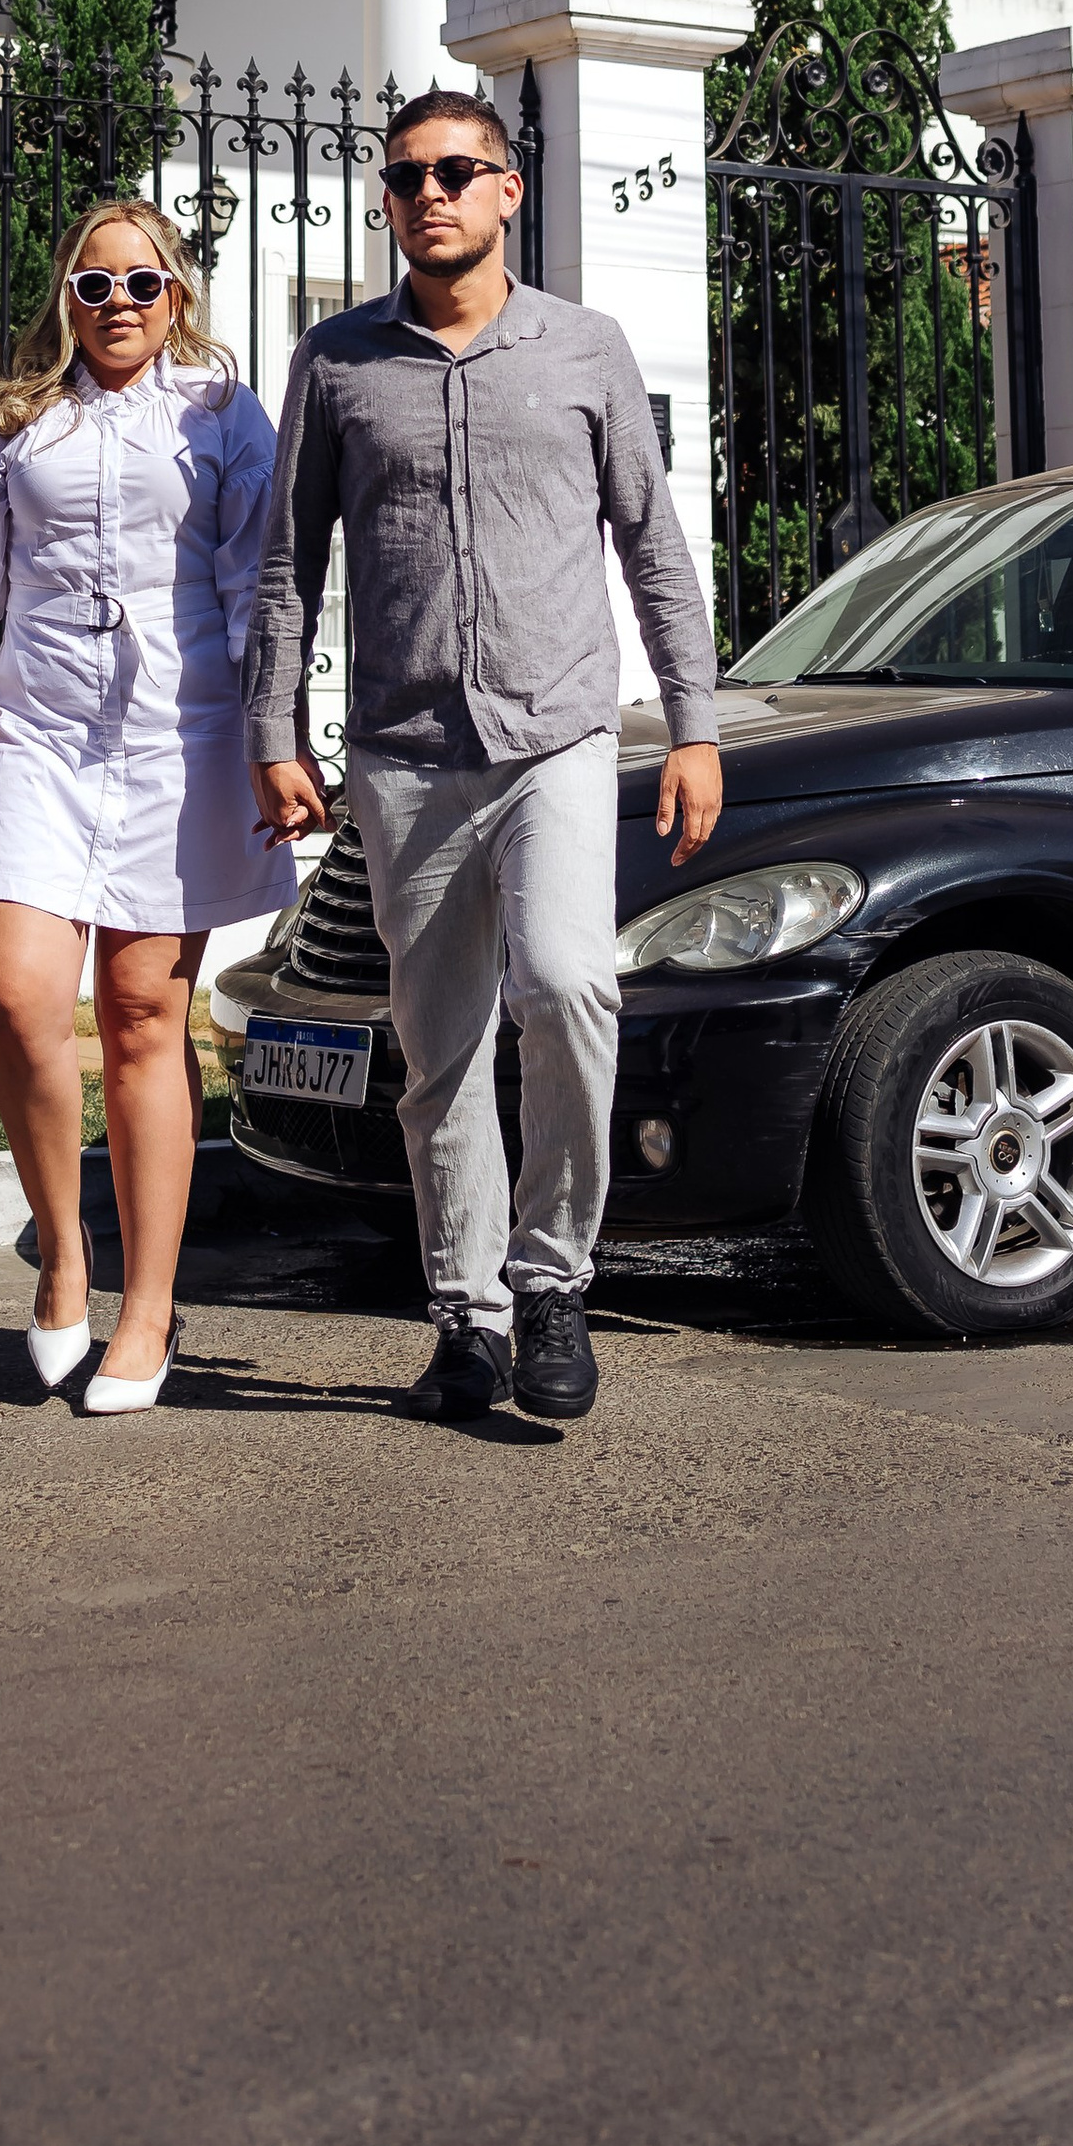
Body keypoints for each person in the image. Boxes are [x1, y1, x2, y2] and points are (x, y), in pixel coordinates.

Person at [245, 89, 722, 1427]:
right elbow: (289, 569)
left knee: (570, 984)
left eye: (457, 171)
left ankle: (555, 1275)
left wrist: (696, 723)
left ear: (509, 188)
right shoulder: (337, 364)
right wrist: (271, 732)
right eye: (404, 178)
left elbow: (653, 545)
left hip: (555, 736)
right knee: (436, 1043)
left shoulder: (585, 349)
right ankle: (468, 1317)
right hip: (402, 756)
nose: (429, 194)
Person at [0, 200, 296, 1412]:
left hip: (185, 742)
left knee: (137, 1015)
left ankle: (151, 1307)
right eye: (93, 283)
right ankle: (63, 1253)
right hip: (40, 738)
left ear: (177, 294)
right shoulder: (15, 423)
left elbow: (257, 581)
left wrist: (272, 741)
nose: (117, 304)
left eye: (141, 282)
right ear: (63, 298)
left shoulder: (225, 418)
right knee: (17, 998)